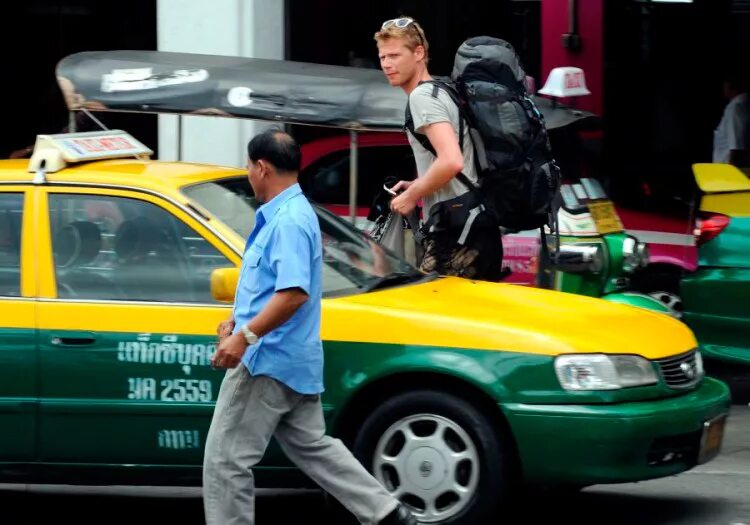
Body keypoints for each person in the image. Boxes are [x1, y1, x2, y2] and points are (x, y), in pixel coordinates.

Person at [202, 129, 416, 525]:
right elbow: (273, 286)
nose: (249, 174)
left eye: (250, 167)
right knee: (312, 447)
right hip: (292, 358)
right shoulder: (292, 214)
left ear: (262, 168)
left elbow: (293, 293)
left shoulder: (287, 221)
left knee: (225, 462)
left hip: (266, 360)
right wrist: (237, 319)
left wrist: (245, 336)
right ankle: (386, 513)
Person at [374, 16, 503, 281]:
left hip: (457, 232)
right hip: (475, 224)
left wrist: (412, 197)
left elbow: (452, 161)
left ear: (419, 52)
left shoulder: (422, 97)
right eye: (382, 57)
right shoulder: (441, 90)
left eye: (395, 55)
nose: (387, 64)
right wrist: (419, 184)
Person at [713, 68, 749, 168]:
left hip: (728, 174)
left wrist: (731, 177)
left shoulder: (735, 107)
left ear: (729, 85)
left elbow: (736, 147)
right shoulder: (744, 104)